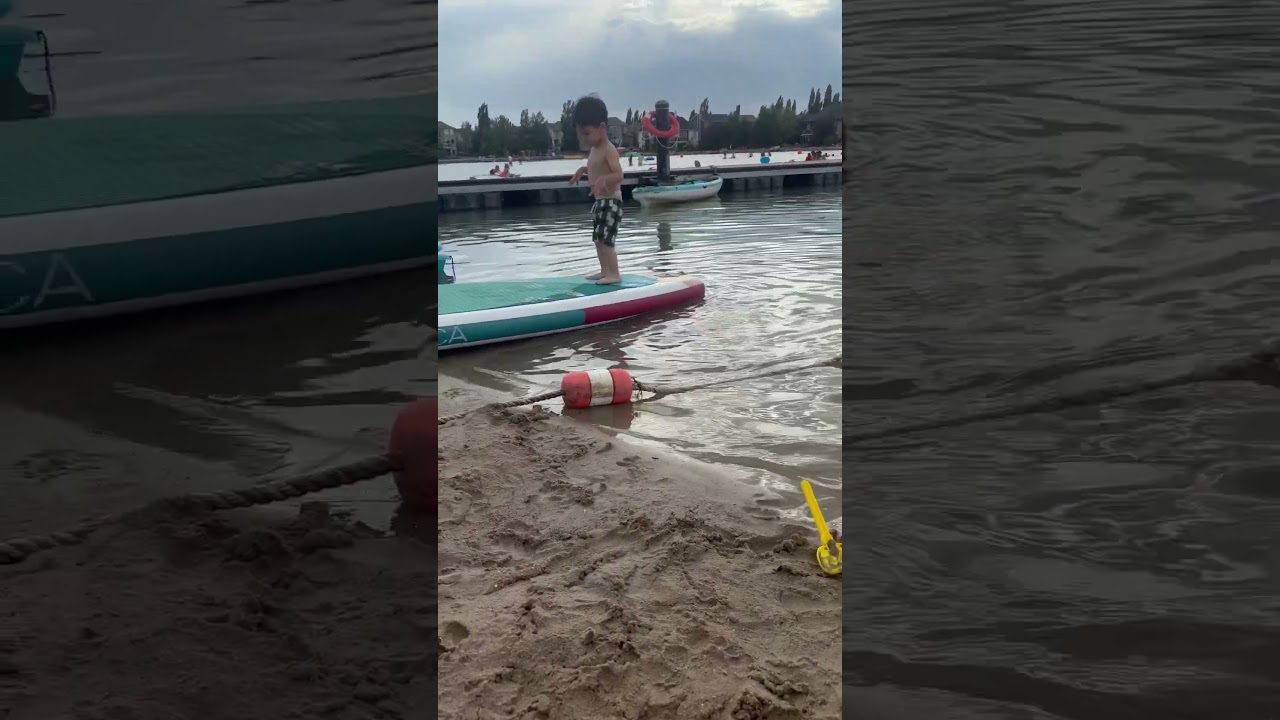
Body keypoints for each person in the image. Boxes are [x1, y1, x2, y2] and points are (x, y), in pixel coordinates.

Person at [568, 95, 625, 285]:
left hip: (612, 201)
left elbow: (619, 175)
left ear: (602, 128)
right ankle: (604, 271)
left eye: (586, 134)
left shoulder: (609, 150)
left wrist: (604, 179)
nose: (583, 139)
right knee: (598, 238)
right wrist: (582, 171)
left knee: (607, 239)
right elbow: (595, 167)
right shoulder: (594, 149)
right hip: (601, 201)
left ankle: (614, 274)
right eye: (580, 134)